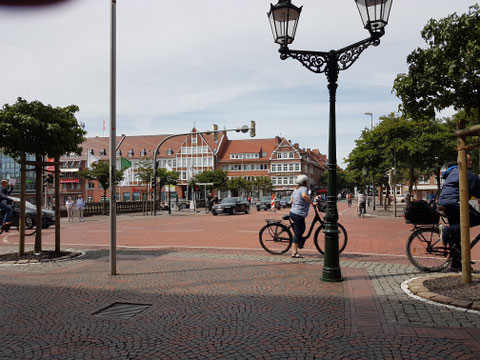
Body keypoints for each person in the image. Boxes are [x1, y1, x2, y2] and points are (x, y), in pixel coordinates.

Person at [438, 155, 480, 270]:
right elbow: (477, 188)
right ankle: (447, 230)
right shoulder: (464, 173)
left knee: (457, 233)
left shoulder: (452, 171)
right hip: (454, 202)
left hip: (446, 201)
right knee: (477, 219)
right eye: (469, 160)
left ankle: (456, 263)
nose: (471, 162)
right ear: (463, 161)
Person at [289, 174, 316, 259]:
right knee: (298, 232)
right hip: (298, 214)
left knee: (301, 229)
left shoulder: (296, 189)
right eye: (307, 181)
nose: (307, 182)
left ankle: (299, 242)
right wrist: (311, 203)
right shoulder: (304, 188)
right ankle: (294, 252)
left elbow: (291, 200)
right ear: (304, 182)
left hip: (293, 212)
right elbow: (304, 196)